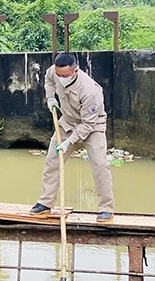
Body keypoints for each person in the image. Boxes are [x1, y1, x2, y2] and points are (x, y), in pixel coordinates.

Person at [29, 52, 114, 221]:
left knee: (100, 166)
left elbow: (88, 125)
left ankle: (107, 208)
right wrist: (50, 97)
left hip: (92, 126)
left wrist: (69, 142)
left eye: (64, 76)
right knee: (52, 161)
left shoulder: (90, 91)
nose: (61, 78)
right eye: (59, 74)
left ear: (75, 71)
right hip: (67, 121)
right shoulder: (54, 72)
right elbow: (48, 79)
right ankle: (45, 203)